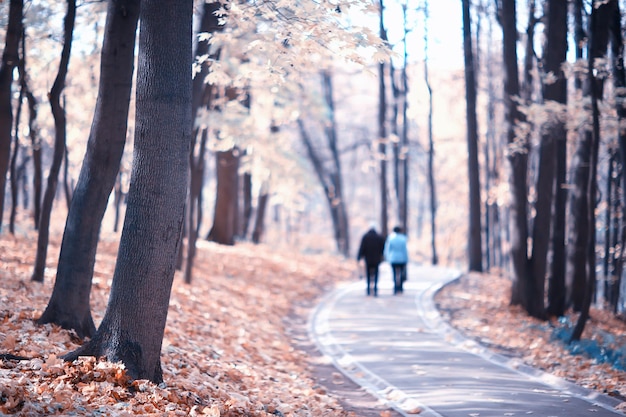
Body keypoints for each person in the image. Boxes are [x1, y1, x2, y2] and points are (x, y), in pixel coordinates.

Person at [357, 223, 385, 296]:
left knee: (368, 274)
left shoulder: (365, 237)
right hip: (377, 259)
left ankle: (369, 289)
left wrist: (359, 257)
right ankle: (375, 289)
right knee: (376, 274)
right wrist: (382, 257)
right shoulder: (379, 237)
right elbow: (383, 248)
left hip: (368, 259)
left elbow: (362, 247)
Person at [384, 226, 408, 294]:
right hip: (402, 258)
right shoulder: (403, 238)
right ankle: (400, 287)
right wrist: (406, 259)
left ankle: (395, 288)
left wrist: (387, 258)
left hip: (393, 258)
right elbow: (405, 250)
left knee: (394, 273)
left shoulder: (390, 238)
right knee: (401, 273)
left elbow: (387, 249)